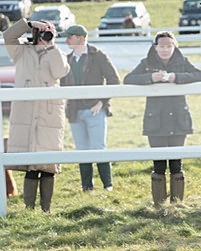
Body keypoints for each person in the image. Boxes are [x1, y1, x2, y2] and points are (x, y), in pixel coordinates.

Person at [123, 31, 201, 206]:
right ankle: (159, 205)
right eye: (162, 46)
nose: (165, 49)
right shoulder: (146, 64)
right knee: (159, 163)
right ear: (155, 47)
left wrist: (178, 78)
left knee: (176, 163)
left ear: (174, 46)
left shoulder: (182, 62)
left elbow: (200, 75)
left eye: (169, 46)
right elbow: (128, 79)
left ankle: (177, 205)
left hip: (178, 119)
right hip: (156, 121)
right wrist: (150, 78)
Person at [3, 18, 70, 212]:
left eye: (49, 32)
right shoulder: (21, 51)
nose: (45, 35)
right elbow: (8, 35)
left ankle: (46, 209)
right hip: (25, 112)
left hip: (49, 113)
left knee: (47, 165)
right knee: (30, 164)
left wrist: (51, 46)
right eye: (42, 32)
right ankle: (29, 209)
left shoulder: (58, 53)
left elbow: (60, 72)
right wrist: (30, 24)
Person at [60, 24, 120, 192]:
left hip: (95, 110)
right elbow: (62, 83)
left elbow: (114, 80)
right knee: (82, 150)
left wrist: (101, 102)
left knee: (99, 147)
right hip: (74, 112)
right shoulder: (67, 59)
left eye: (69, 37)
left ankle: (107, 185)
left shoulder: (98, 56)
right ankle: (87, 187)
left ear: (80, 38)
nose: (66, 40)